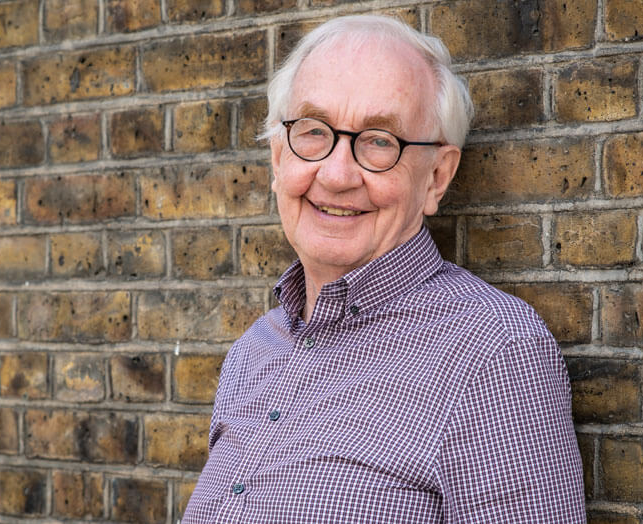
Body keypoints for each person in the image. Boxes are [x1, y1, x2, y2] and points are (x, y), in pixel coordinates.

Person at [183, 15, 586, 523]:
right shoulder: (252, 353)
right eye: (313, 132)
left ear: (437, 177)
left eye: (378, 141)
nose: (335, 174)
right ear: (277, 158)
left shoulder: (492, 353)